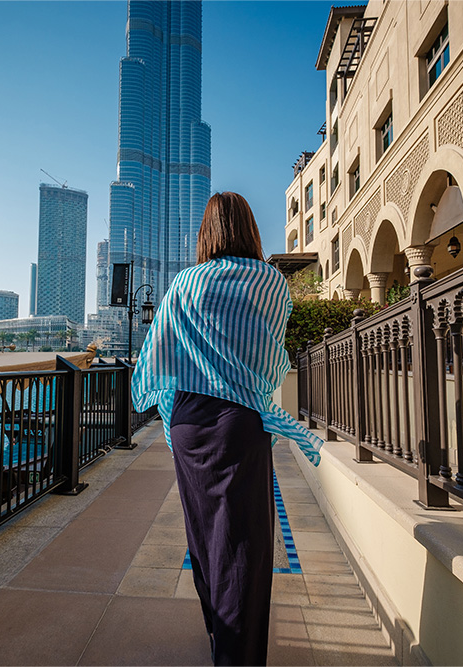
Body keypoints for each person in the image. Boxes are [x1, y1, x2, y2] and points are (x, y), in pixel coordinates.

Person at [132, 192, 322, 665]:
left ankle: (221, 636)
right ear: (250, 229)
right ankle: (237, 655)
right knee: (244, 545)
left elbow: (158, 353)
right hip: (240, 423)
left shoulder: (184, 284)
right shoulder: (271, 283)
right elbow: (269, 351)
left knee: (204, 537)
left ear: (206, 232)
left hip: (190, 424)